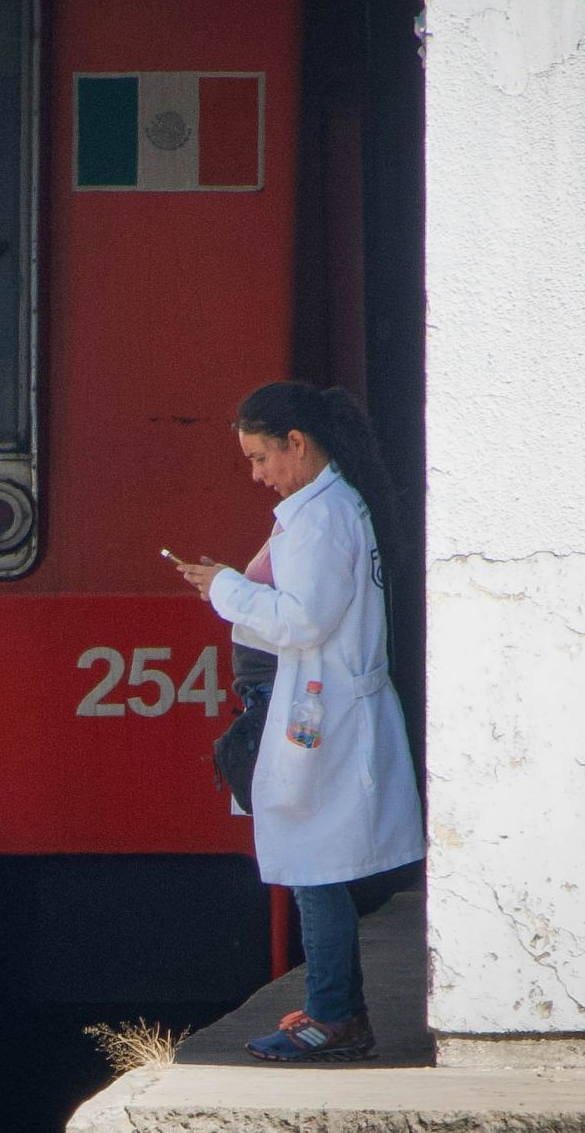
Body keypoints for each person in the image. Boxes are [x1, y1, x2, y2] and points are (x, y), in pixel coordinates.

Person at [175, 381, 423, 1063]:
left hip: (322, 715)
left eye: (260, 458)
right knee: (320, 860)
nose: (257, 475)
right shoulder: (330, 506)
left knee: (315, 863)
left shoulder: (318, 518)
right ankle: (333, 1003)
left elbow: (305, 617)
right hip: (329, 708)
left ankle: (335, 1015)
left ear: (296, 443)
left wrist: (225, 587)